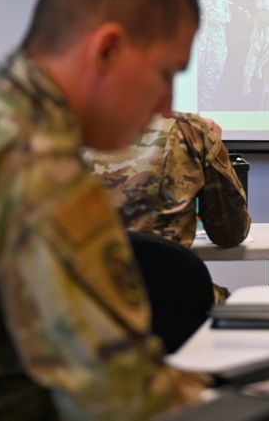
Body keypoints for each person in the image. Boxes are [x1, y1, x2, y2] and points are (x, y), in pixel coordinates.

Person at [0, 0, 209, 419]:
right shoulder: (41, 174)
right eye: (165, 71)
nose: (167, 105)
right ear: (107, 50)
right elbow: (123, 402)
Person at [83, 110, 251, 304]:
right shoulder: (190, 129)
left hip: (92, 304)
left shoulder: (65, 129)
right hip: (171, 299)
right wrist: (214, 147)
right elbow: (231, 233)